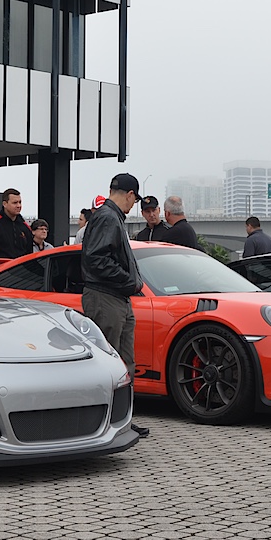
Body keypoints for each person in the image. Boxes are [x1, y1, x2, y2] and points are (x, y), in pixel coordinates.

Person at [81, 172, 149, 438]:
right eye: (135, 200)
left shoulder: (110, 216)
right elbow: (96, 259)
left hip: (116, 297)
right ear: (130, 195)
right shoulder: (108, 217)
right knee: (109, 364)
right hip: (106, 297)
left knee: (123, 363)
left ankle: (121, 421)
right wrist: (129, 281)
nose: (134, 205)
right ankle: (103, 424)